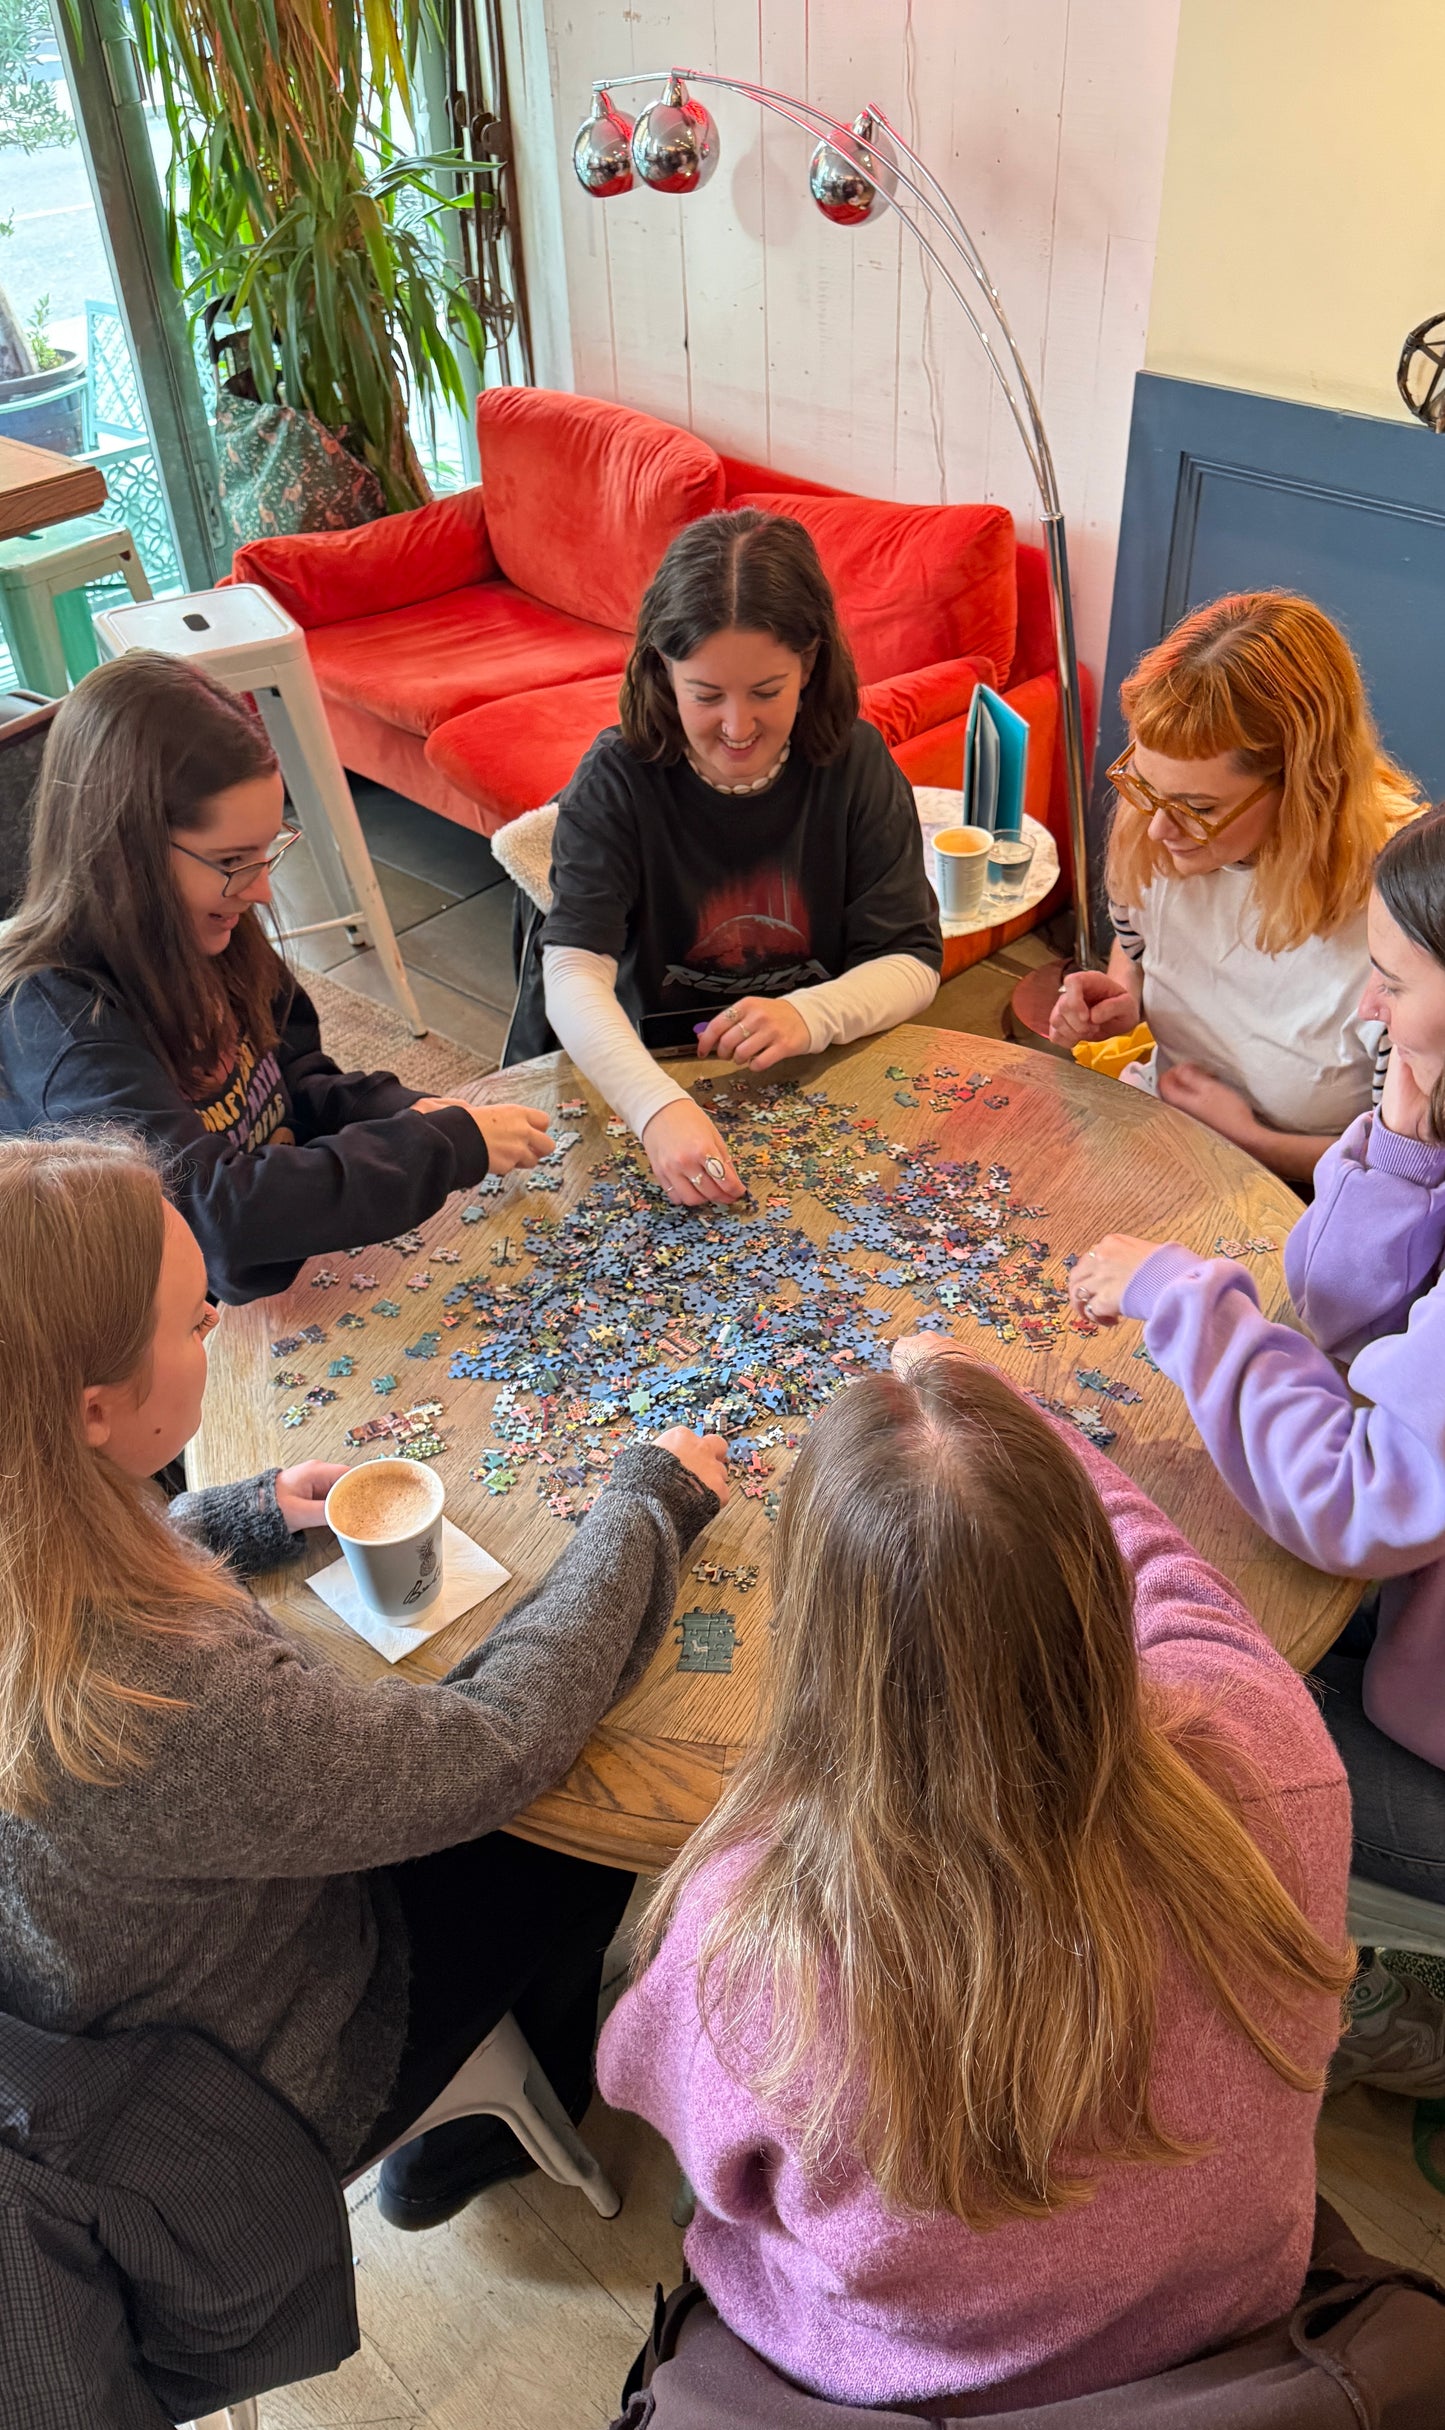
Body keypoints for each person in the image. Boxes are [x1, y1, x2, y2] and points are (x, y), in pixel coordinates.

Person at [0, 1127, 728, 2230]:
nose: (215, 1326)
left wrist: (230, 1517)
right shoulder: (167, 1697)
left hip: (102, 1999)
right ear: (95, 1408)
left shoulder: (33, 1523)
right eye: (195, 1320)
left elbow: (78, 1561)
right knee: (574, 1842)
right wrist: (646, 1505)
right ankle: (466, 2141)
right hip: (267, 2084)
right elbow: (494, 1742)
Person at [599, 1348, 1351, 2409]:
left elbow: (655, 2100)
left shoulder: (747, 1939)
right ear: (1089, 1593)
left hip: (911, 2401)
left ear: (814, 1641)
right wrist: (1023, 1429)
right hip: (1226, 2340)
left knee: (727, 2188)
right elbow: (1177, 1584)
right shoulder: (1270, 1748)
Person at [1068, 803, 1445, 2090]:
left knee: (1125, 1733)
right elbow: (1332, 1301)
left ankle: (1388, 2009)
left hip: (1429, 1735)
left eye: (1390, 982)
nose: (1367, 1006)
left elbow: (1353, 1501)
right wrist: (1400, 1124)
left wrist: (1183, 1299)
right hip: (1412, 1627)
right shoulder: (1427, 1085)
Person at [0, 652, 553, 1302]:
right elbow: (218, 1221)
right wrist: (430, 1149)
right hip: (145, 1327)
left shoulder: (202, 923)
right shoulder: (66, 1030)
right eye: (233, 859)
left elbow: (295, 1079)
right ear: (124, 854)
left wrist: (412, 1114)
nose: (261, 888)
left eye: (266, 850)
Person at [536, 509, 942, 1209]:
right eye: (704, 694)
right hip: (649, 1075)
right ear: (662, 668)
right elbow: (572, 970)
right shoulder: (616, 778)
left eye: (765, 692)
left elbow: (912, 962)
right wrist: (655, 1106)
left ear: (809, 664)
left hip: (821, 1074)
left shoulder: (857, 764)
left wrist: (810, 1013)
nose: (736, 726)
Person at [1050, 592, 1420, 1183]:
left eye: (1198, 805)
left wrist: (1253, 1142)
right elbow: (1140, 952)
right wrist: (1121, 1002)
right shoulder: (1156, 824)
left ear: (1304, 788)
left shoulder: (1402, 910)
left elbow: (1408, 1166)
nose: (1158, 827)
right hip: (1164, 1135)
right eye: (1146, 787)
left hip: (1315, 1194)